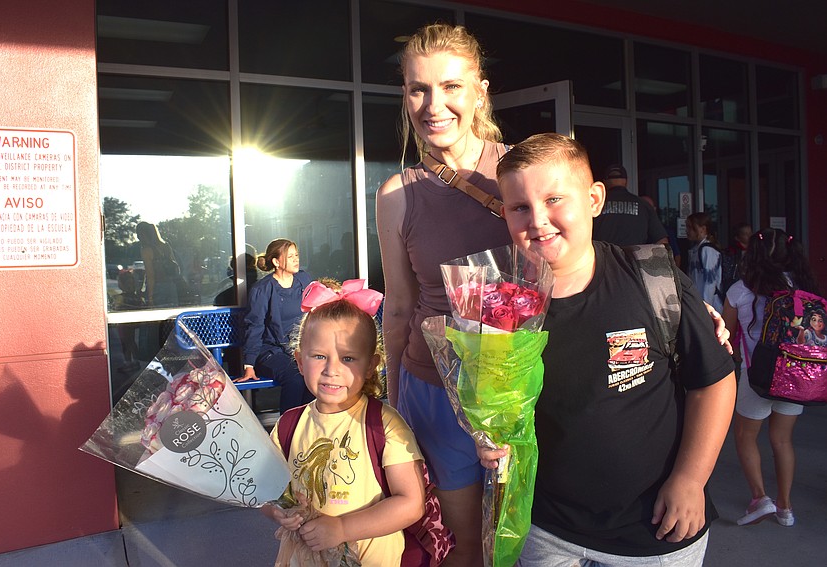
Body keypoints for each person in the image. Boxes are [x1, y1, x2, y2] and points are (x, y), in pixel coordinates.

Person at [480, 133, 736, 565]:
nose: (538, 220)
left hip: (655, 530)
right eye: (520, 207)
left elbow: (713, 383)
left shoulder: (653, 279)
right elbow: (499, 407)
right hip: (545, 529)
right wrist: (488, 439)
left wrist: (691, 480)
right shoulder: (502, 306)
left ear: (595, 198)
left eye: (555, 199)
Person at [375, 23, 513, 565]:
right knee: (466, 549)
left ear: (480, 91)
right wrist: (386, 407)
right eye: (418, 88)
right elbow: (402, 306)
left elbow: (579, 267)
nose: (434, 104)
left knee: (528, 541)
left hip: (522, 393)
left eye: (451, 86)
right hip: (433, 394)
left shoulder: (522, 169)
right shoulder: (396, 195)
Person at [265, 279, 425, 566]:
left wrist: (341, 528)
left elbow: (410, 504)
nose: (332, 370)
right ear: (300, 361)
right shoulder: (289, 425)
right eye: (319, 356)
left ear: (370, 365)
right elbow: (266, 490)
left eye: (348, 358)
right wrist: (274, 510)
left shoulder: (384, 425)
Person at [721, 228, 819, 528]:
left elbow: (725, 333)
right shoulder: (804, 288)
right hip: (797, 375)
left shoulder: (741, 290)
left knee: (745, 435)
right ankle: (786, 508)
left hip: (758, 377)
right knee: (782, 440)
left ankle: (761, 498)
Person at [241, 239, 315, 412]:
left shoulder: (304, 279)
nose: (296, 259)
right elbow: (255, 325)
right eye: (290, 256)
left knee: (315, 375)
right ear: (276, 262)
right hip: (270, 351)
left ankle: (307, 426)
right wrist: (249, 364)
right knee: (296, 377)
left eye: (296, 255)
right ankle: (286, 430)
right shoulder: (262, 289)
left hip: (299, 349)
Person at [592, 164, 669, 246]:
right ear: (626, 181)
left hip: (603, 257)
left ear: (604, 182)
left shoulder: (595, 204)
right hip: (634, 257)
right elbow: (662, 241)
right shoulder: (643, 205)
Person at [136, 221, 183, 307]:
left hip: (157, 287)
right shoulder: (166, 246)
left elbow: (150, 275)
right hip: (171, 285)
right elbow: (175, 265)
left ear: (142, 234)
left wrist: (150, 297)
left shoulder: (146, 250)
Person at [686, 212, 724, 312]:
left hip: (710, 305)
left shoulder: (708, 250)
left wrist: (705, 308)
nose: (687, 231)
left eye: (691, 228)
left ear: (703, 229)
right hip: (699, 303)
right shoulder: (696, 249)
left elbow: (710, 283)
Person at [641, 194, 681, 267]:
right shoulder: (633, 230)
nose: (646, 211)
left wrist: (675, 275)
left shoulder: (665, 231)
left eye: (649, 208)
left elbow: (676, 255)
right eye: (643, 208)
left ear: (654, 209)